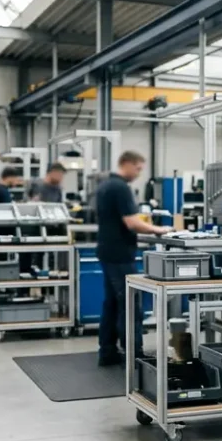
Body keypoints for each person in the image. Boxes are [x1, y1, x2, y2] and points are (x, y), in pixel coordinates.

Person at [94, 151, 171, 367]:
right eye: (138, 168)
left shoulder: (105, 185)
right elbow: (132, 223)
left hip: (108, 251)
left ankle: (107, 352)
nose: (138, 174)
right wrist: (159, 230)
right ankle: (134, 355)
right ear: (126, 164)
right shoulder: (120, 188)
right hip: (120, 254)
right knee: (130, 304)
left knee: (111, 304)